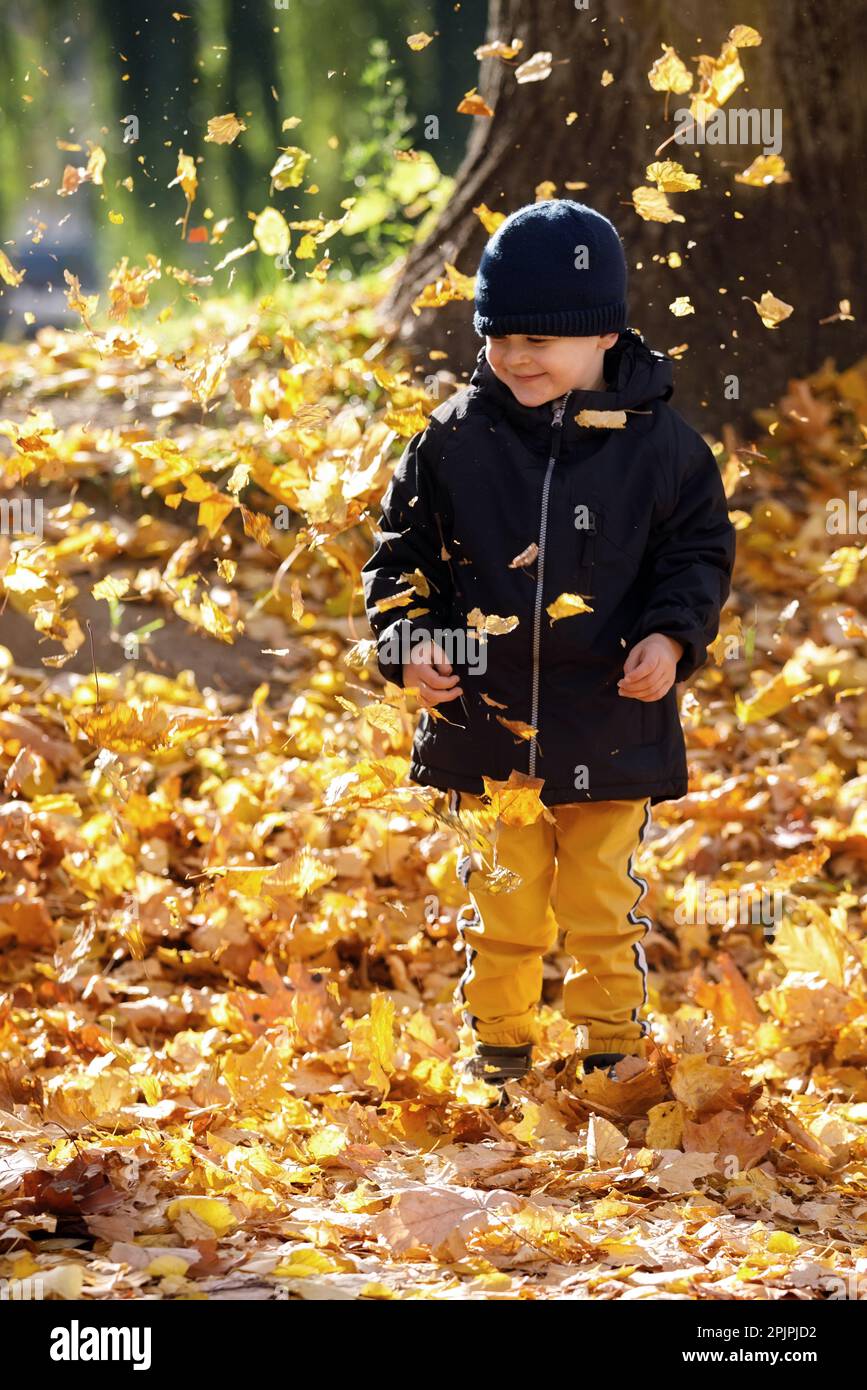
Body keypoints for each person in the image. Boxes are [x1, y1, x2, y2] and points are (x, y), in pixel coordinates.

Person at [361, 200, 736, 1100]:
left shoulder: (662, 447)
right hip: (485, 724)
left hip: (610, 716)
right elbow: (400, 557)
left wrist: (670, 635)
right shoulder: (451, 439)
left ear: (603, 334)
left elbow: (696, 553)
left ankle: (610, 1048)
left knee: (600, 901)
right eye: (500, 337)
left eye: (542, 338)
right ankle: (500, 1048)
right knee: (504, 901)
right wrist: (409, 640)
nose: (518, 357)